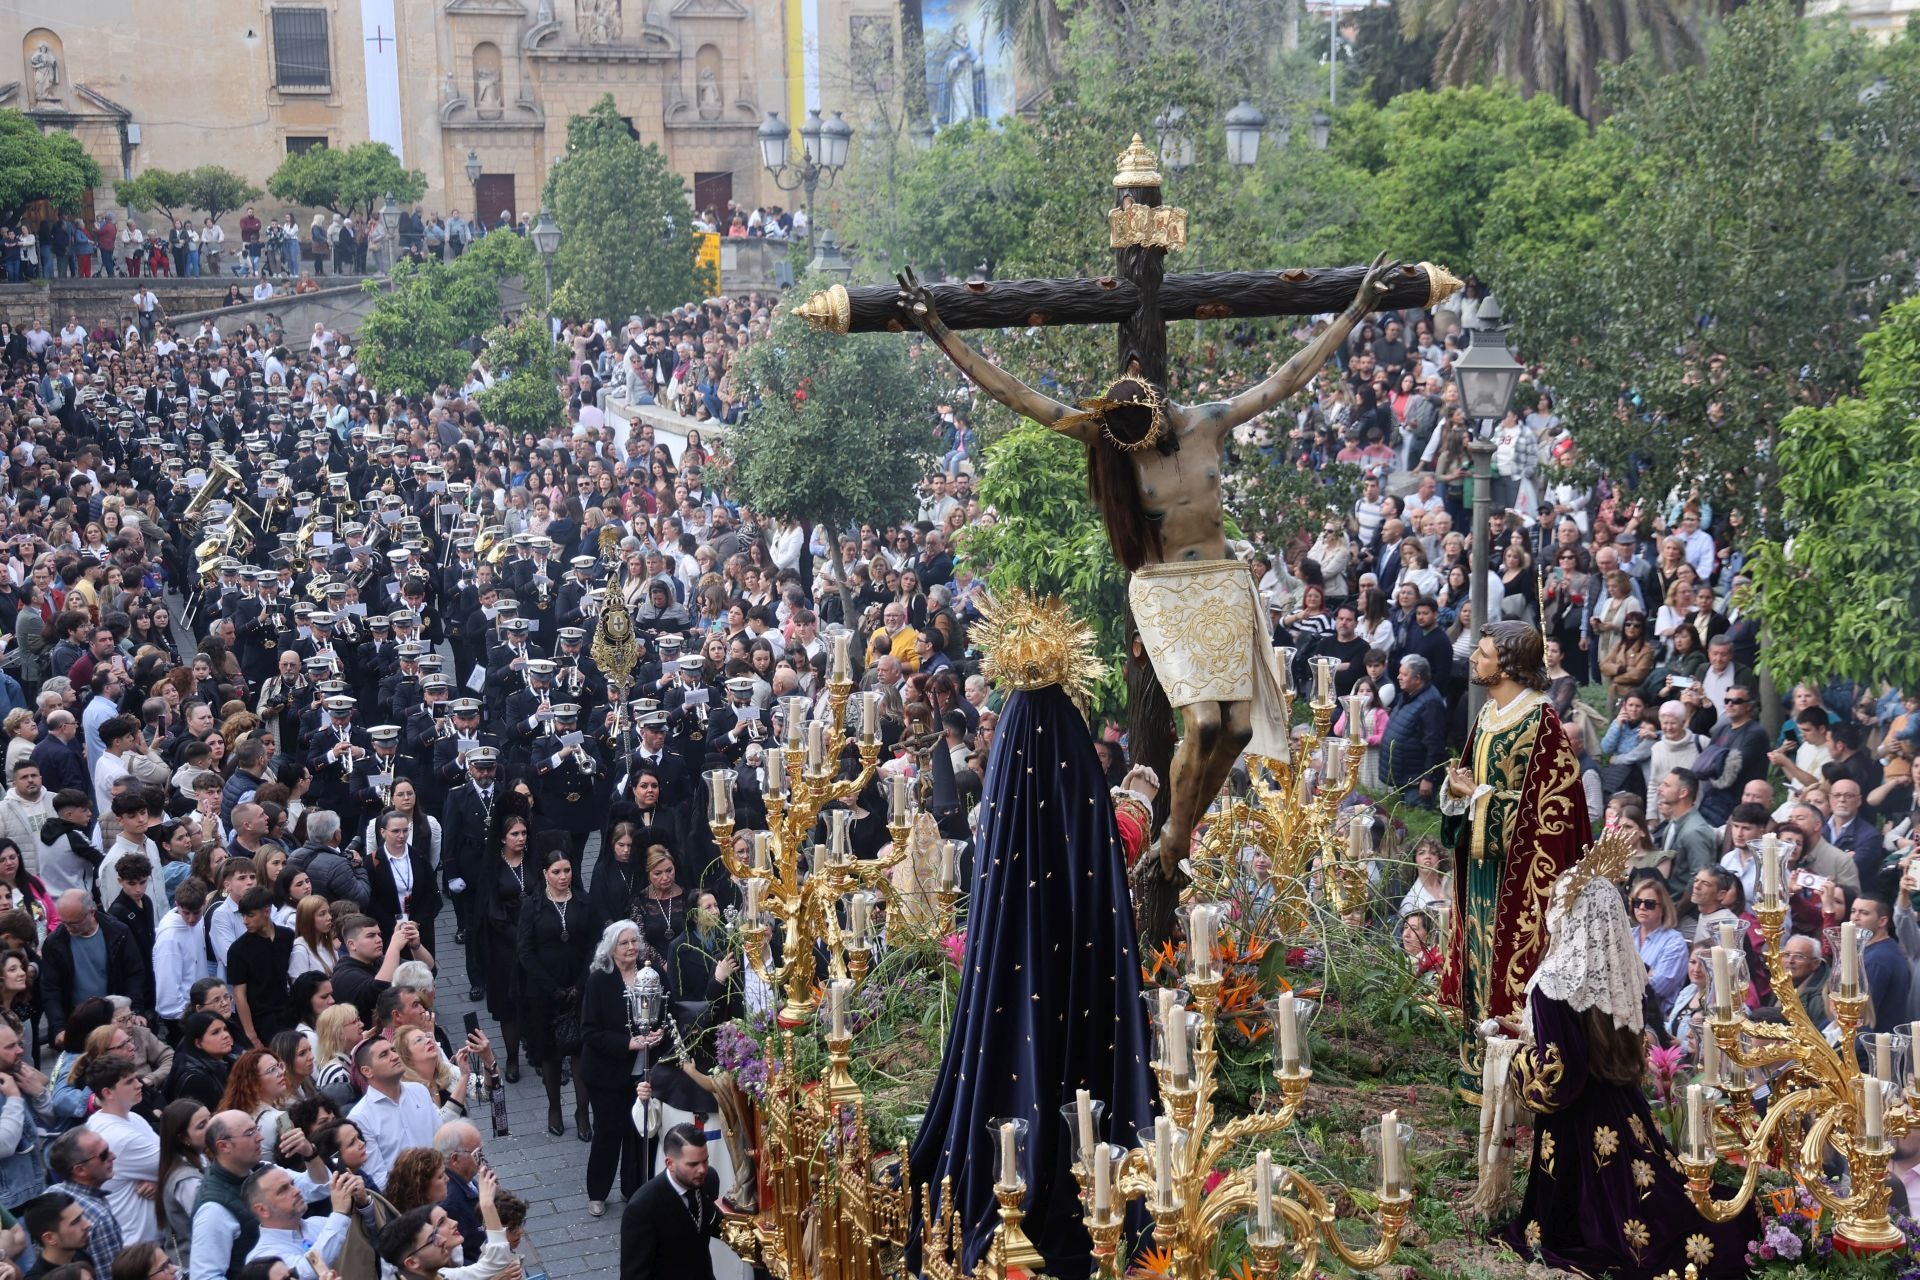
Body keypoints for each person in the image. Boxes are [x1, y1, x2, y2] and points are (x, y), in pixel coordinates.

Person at [897, 255, 1401, 884]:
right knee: (1206, 721)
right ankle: (1172, 842)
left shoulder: (1208, 423)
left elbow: (1288, 378)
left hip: (1222, 583)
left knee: (1239, 729)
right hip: (1165, 591)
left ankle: (1178, 830)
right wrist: (940, 332)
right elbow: (1017, 395)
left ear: (1162, 406)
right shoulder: (1109, 437)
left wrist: (1354, 309)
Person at [1490, 831, 1754, 1276]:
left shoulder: (1555, 981)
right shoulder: (1623, 973)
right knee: (1654, 1190)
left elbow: (1559, 1077)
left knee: (1598, 1220)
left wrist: (1509, 1055)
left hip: (1576, 1125)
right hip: (1622, 1108)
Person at [1438, 622, 1589, 1098]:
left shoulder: (1541, 723)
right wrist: (1460, 792)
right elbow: (1472, 778)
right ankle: (1477, 1058)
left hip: (1521, 877)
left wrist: (1478, 798)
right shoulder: (1489, 713)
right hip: (1483, 870)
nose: (1473, 661)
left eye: (1482, 655)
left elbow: (1552, 812)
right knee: (1479, 962)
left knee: (1511, 968)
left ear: (1505, 665)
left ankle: (1512, 1074)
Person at [582, 920, 665, 1217]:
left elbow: (664, 1013)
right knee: (608, 1132)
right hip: (607, 1072)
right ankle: (597, 1193)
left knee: (639, 1130)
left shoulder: (649, 974)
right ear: (611, 949)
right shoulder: (599, 981)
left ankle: (634, 1190)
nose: (631, 948)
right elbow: (590, 1032)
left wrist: (659, 1035)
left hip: (643, 1069)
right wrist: (627, 1044)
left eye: (634, 942)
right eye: (624, 943)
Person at [516, 845, 599, 1139]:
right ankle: (554, 1106)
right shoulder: (533, 906)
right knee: (549, 1053)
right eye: (556, 872)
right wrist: (551, 987)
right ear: (545, 874)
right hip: (544, 991)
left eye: (567, 871)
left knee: (580, 1051)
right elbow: (525, 951)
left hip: (579, 985)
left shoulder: (584, 903)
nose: (563, 876)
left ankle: (582, 1111)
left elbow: (593, 945)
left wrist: (580, 984)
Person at [619, 1123, 723, 1280]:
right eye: (693, 1164)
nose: (702, 1169)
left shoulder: (708, 1180)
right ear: (670, 1164)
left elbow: (714, 1224)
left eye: (705, 1161)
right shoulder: (642, 1208)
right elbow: (634, 1275)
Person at [377, 1166, 514, 1280]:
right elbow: (496, 1263)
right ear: (412, 1263)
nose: (442, 1240)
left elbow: (493, 1264)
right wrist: (487, 1205)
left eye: (435, 1234)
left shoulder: (442, 1275)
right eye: (432, 1239)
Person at [344, 1036, 438, 1190]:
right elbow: (377, 1179)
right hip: (405, 1201)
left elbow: (442, 1142)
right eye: (384, 1055)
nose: (394, 1056)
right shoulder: (360, 1117)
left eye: (393, 1050)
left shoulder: (419, 1091)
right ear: (367, 1071)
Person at [241, 1164, 358, 1280]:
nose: (296, 1191)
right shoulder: (260, 1259)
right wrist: (340, 1212)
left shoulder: (317, 1222)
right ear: (263, 1210)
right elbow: (308, 1271)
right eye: (283, 1190)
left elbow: (365, 1237)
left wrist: (363, 1202)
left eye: (292, 1184)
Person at [156, 1100, 210, 1262]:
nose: (212, 1126)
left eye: (211, 1119)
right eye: (202, 1125)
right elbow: (208, 1222)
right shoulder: (186, 1180)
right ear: (184, 1138)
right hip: (194, 1263)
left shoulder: (200, 1158)